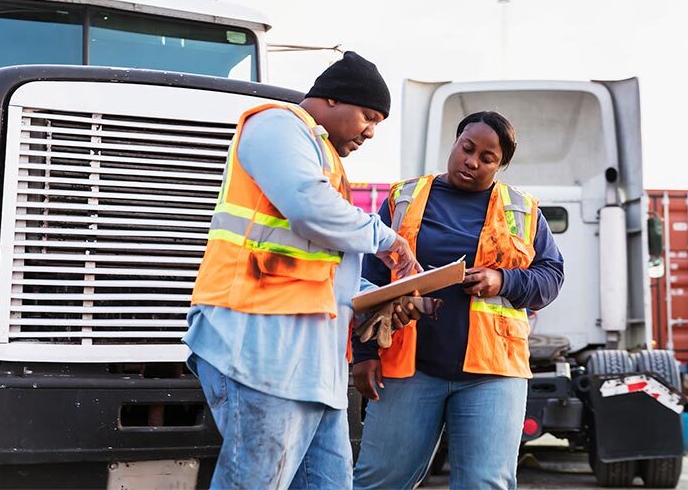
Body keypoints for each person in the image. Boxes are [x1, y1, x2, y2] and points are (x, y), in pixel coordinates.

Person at [185, 51, 420, 489]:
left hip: (313, 366)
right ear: (332, 99)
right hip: (258, 349)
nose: (370, 132)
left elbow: (322, 268)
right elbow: (308, 210)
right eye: (368, 117)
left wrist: (375, 298)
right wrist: (387, 238)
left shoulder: (323, 158)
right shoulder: (277, 126)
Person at [352, 111, 565, 490]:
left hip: (493, 374)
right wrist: (365, 355)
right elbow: (368, 281)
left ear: (500, 166)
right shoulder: (403, 198)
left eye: (487, 158)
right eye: (467, 148)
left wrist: (502, 279)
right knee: (379, 480)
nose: (472, 161)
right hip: (409, 369)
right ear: (454, 143)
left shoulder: (523, 210)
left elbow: (551, 277)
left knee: (484, 484)